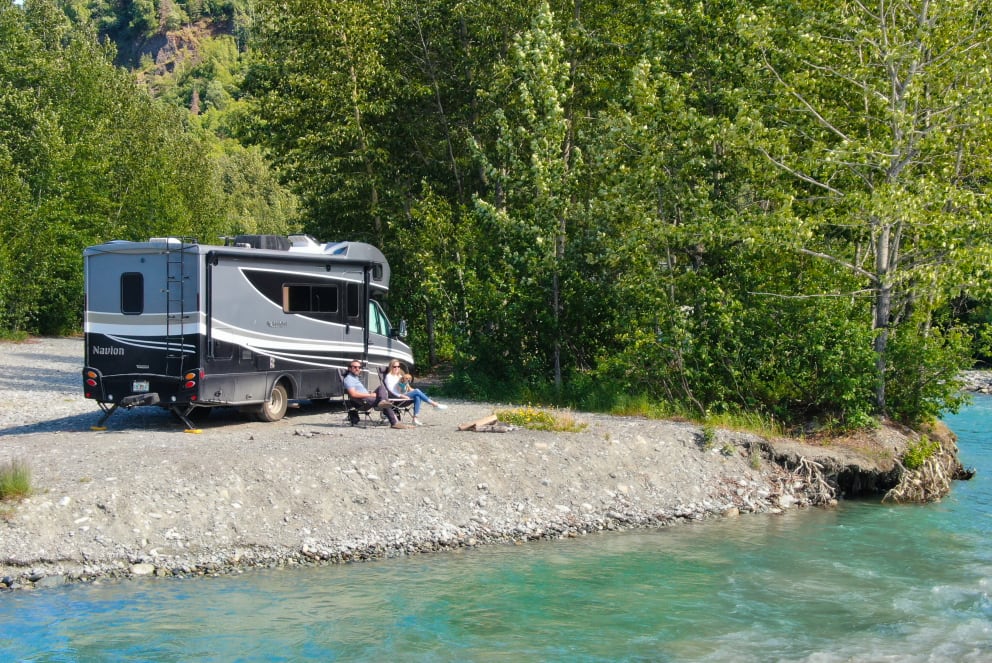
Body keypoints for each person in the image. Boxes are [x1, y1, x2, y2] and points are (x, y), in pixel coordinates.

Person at [343, 360, 409, 429]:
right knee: (385, 401)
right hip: (362, 402)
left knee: (381, 388)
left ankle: (384, 404)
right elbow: (353, 394)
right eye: (355, 367)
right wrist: (370, 395)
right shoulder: (349, 379)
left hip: (366, 398)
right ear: (349, 368)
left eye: (359, 367)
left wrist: (370, 394)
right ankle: (395, 422)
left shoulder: (354, 378)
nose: (357, 369)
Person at [384, 361, 447, 426]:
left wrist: (417, 392)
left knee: (417, 395)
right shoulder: (388, 377)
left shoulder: (399, 376)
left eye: (398, 366)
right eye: (395, 367)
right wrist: (401, 395)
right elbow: (391, 391)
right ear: (391, 367)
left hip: (404, 395)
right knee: (417, 391)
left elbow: (408, 387)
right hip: (396, 398)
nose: (397, 368)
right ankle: (435, 404)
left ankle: (415, 419)